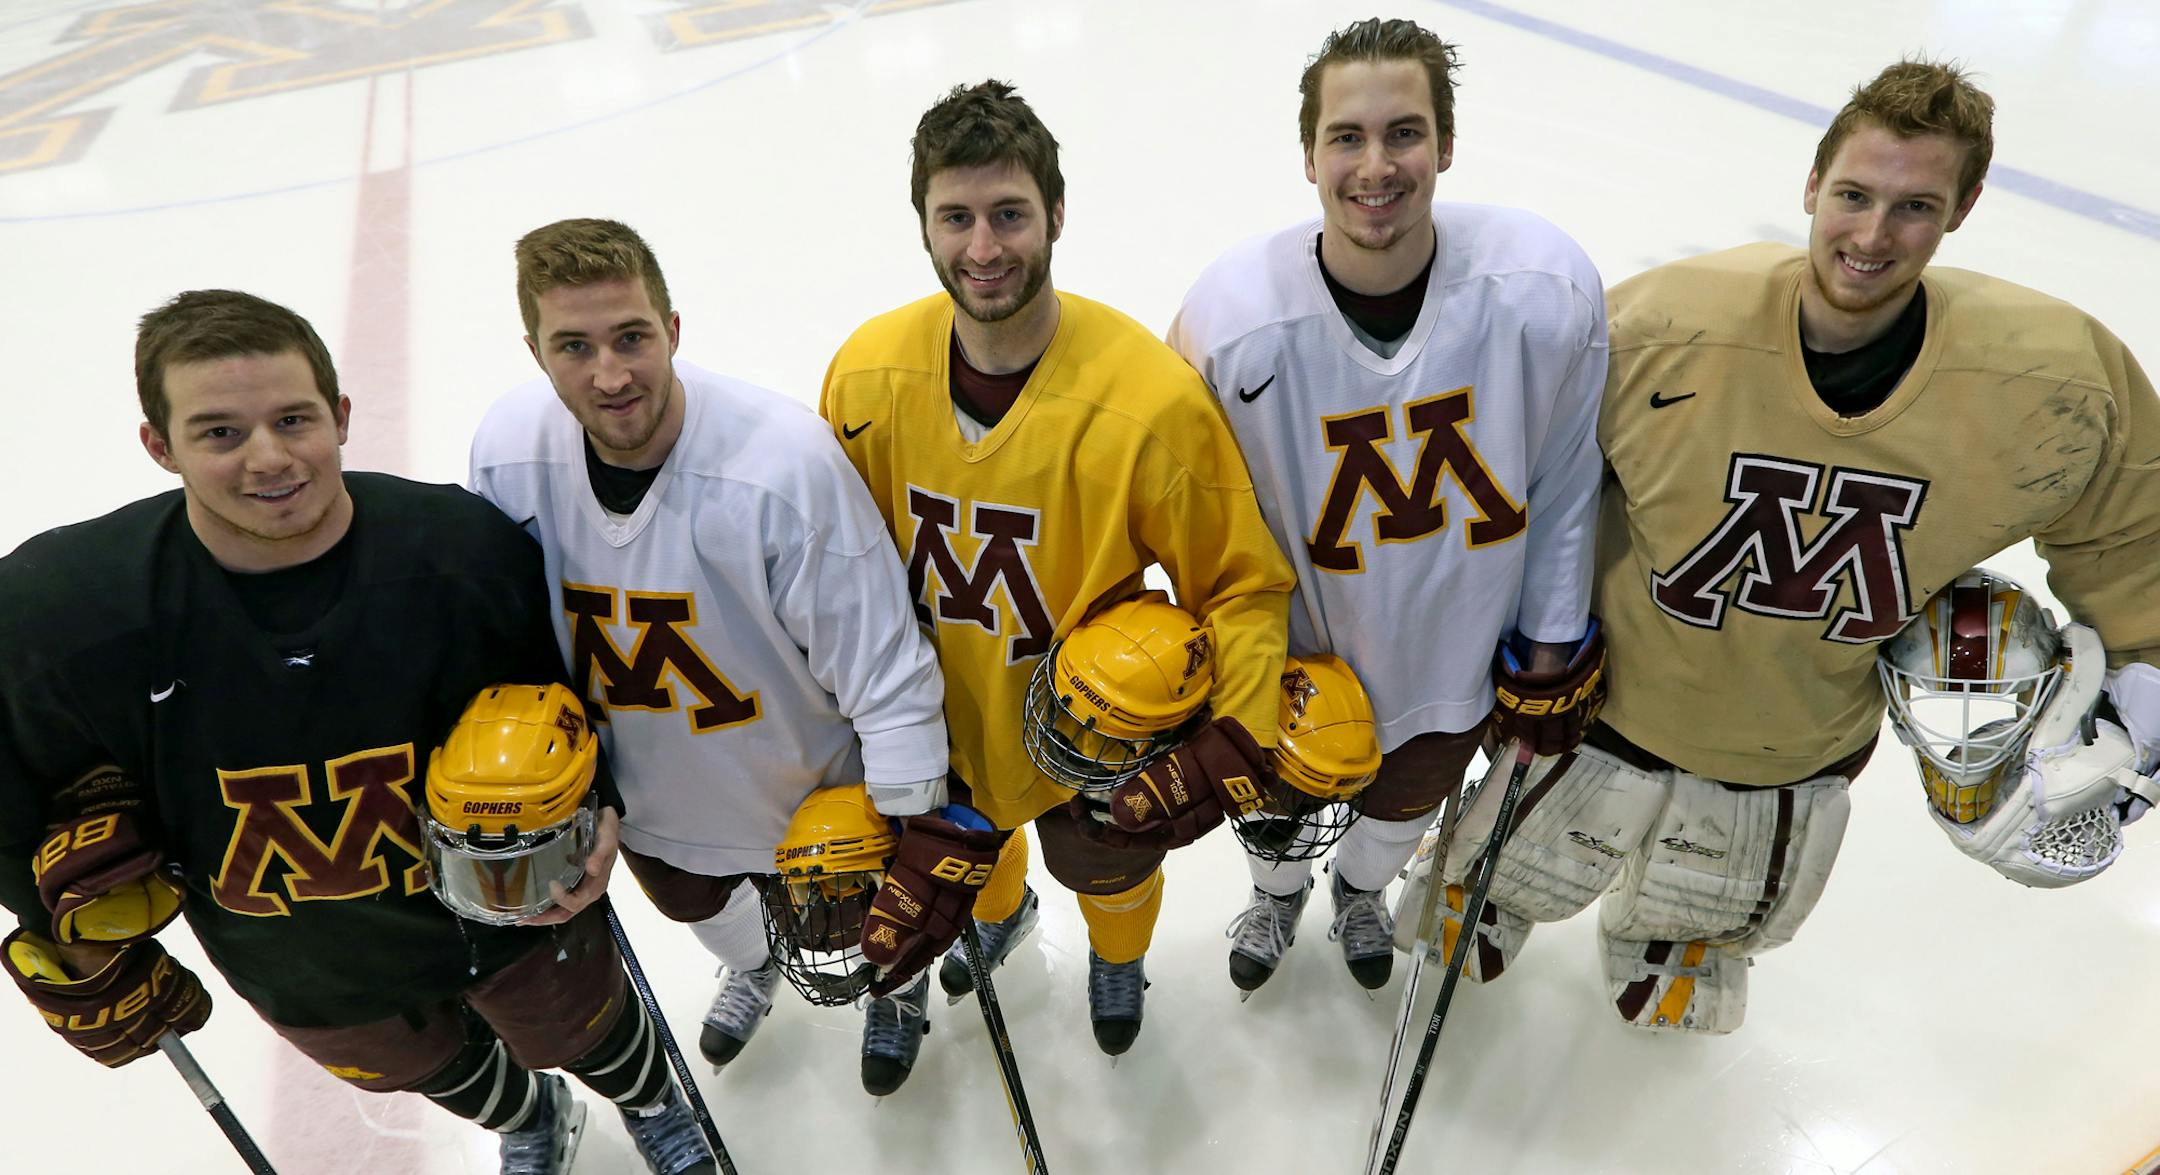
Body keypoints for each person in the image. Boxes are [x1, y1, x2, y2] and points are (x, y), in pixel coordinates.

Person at [1439, 58, 2160, 1034]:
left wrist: (2143, 704)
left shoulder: (2051, 381)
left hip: (1796, 743)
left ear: (1966, 206)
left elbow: (2136, 539)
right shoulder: (1658, 326)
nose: (1870, 235)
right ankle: (1486, 892)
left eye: (1914, 206)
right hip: (1602, 707)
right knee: (1511, 865)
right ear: (1812, 184)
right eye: (1855, 195)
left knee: (1711, 895)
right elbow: (1514, 490)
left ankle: (1674, 940)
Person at [0, 290, 718, 1174]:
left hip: (517, 905)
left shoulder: (461, 549)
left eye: (293, 419)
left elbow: (570, 697)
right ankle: (531, 1116)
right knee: (433, 1067)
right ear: (160, 445)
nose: (270, 458)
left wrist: (599, 804)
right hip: (301, 959)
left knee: (589, 1026)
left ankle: (652, 1102)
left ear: (340, 417)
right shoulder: (60, 609)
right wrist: (53, 927)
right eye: (220, 432)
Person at [819, 79, 1295, 1080]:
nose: (983, 249)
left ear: (1056, 214)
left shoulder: (1149, 399)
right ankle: (1002, 918)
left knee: (1110, 870)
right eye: (956, 218)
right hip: (935, 723)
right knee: (965, 858)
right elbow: (830, 577)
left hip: (1099, 729)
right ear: (922, 223)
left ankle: (1118, 961)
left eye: (1009, 215)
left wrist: (1240, 729)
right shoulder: (865, 374)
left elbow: (1241, 584)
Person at [1168, 17, 1609, 1000]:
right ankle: (1276, 896)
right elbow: (1198, 529)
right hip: (1299, 673)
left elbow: (1567, 482)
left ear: (1446, 144)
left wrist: (1551, 642)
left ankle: (1360, 893)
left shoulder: (1541, 286)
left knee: (1398, 817)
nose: (1378, 165)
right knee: (1278, 827)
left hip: (1452, 670)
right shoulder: (1231, 320)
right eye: (1349, 137)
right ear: (1310, 153)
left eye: (1405, 133)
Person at [468, 218, 950, 1080]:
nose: (609, 374)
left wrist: (915, 816)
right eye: (573, 346)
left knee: (862, 921)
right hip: (650, 804)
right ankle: (753, 964)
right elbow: (510, 641)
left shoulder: (781, 465)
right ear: (535, 351)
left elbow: (882, 660)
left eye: (632, 337)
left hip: (808, 801)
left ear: (674, 329)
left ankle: (895, 983)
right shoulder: (508, 454)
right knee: (694, 902)